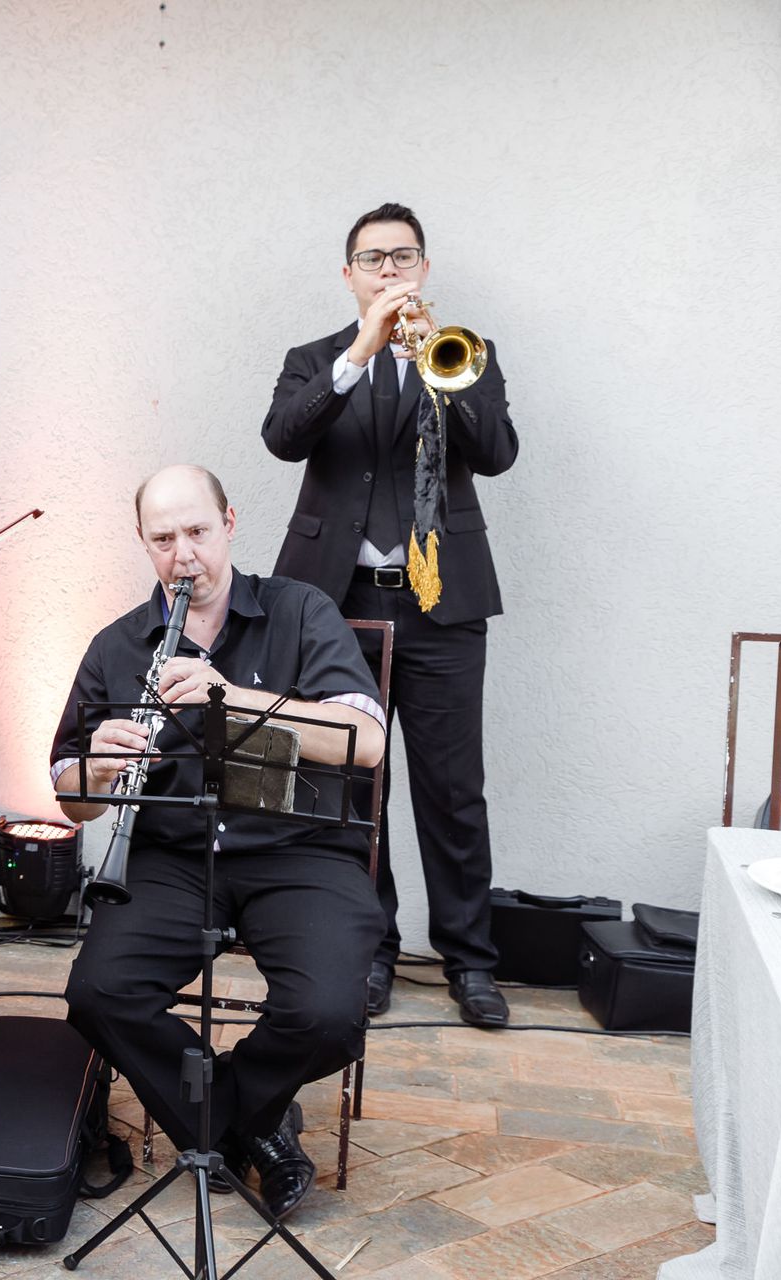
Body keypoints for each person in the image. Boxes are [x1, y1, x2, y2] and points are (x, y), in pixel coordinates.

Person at [52, 465, 386, 1220]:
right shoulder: (116, 644)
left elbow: (365, 741)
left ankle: (232, 1116)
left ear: (230, 522)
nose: (184, 554)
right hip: (171, 855)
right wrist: (98, 770)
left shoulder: (301, 611)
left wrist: (233, 702)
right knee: (98, 994)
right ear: (143, 544)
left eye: (197, 531)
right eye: (164, 539)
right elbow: (69, 797)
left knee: (330, 1013)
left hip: (297, 850)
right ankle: (259, 1127)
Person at [261, 202, 520, 1028]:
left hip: (441, 606)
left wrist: (445, 374)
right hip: (338, 608)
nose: (387, 271)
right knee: (348, 788)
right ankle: (368, 951)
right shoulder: (314, 359)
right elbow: (282, 439)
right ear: (349, 275)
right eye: (372, 259)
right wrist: (360, 355)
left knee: (452, 790)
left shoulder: (465, 353)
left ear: (424, 269)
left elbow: (498, 453)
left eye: (402, 257)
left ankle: (470, 963)